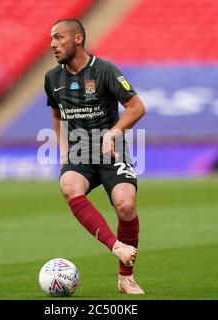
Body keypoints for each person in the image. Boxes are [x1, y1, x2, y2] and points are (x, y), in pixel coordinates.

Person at [44, 19, 146, 294]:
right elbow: (56, 112)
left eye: (58, 38)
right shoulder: (52, 78)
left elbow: (136, 107)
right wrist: (63, 149)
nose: (52, 44)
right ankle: (118, 247)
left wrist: (113, 133)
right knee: (68, 185)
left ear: (78, 39)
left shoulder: (105, 70)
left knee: (125, 206)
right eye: (51, 39)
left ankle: (126, 278)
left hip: (110, 149)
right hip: (79, 152)